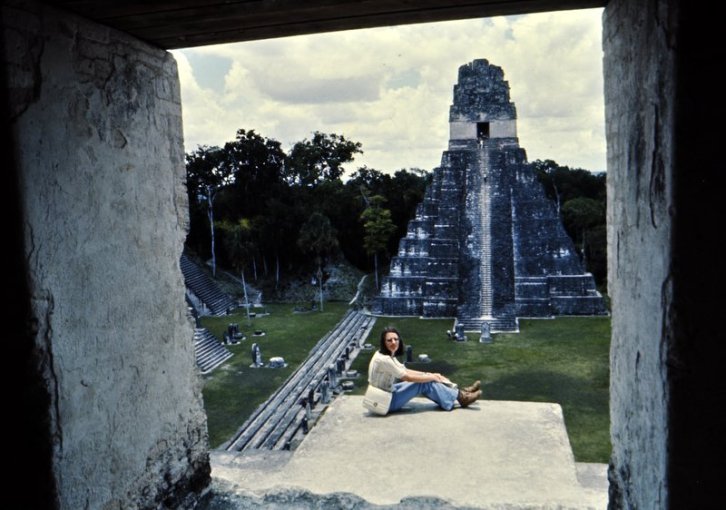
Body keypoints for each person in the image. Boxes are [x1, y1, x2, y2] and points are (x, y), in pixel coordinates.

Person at [368, 326, 481, 413]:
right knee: (424, 383)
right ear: (384, 342)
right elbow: (407, 377)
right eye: (389, 340)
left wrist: (428, 374)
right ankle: (462, 398)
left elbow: (405, 370)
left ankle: (461, 393)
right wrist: (430, 377)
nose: (393, 342)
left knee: (428, 378)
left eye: (395, 339)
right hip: (386, 402)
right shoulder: (385, 360)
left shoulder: (383, 355)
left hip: (384, 394)